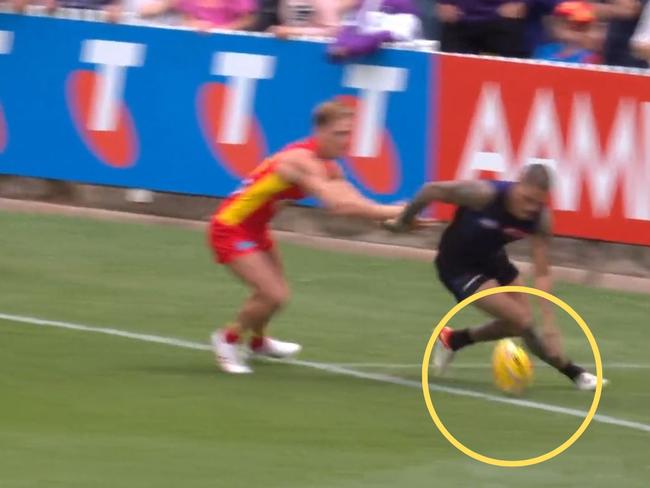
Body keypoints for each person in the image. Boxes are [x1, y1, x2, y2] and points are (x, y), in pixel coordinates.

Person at [209, 100, 407, 374]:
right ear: (320, 132)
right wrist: (394, 211)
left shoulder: (330, 167)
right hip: (230, 227)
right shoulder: (300, 161)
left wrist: (393, 219)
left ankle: (258, 342)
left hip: (255, 229)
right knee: (273, 294)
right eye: (339, 134)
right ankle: (227, 339)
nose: (346, 141)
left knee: (274, 294)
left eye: (349, 134)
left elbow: (354, 200)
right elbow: (338, 206)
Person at [384, 164, 606, 391]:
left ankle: (453, 340)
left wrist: (550, 324)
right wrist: (404, 221)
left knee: (519, 325)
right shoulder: (484, 194)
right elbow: (431, 190)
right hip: (458, 266)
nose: (531, 208)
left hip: (495, 261)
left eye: (538, 202)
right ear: (518, 183)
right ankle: (573, 372)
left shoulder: (541, 218)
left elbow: (542, 272)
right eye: (527, 199)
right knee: (524, 322)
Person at [534, 1, 601, 64]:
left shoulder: (590, 59)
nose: (574, 29)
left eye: (581, 26)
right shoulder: (543, 51)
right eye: (565, 23)